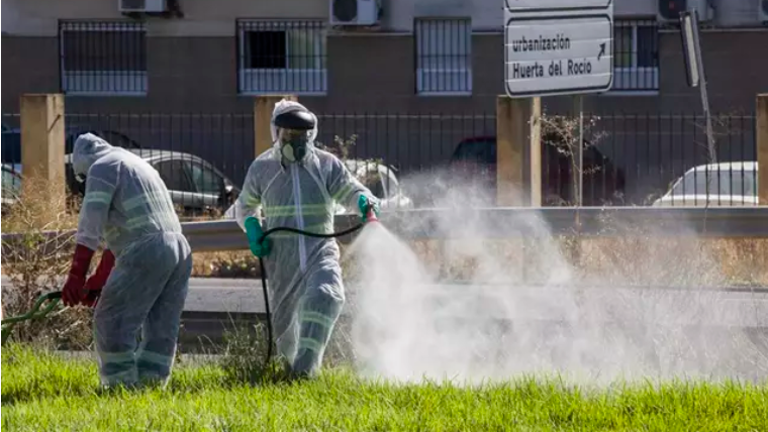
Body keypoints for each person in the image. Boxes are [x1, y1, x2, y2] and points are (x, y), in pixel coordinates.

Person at [233, 99, 379, 378]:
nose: (295, 141)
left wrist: (363, 201)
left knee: (325, 296)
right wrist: (253, 228)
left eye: (301, 135)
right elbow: (246, 205)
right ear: (277, 133)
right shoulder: (262, 168)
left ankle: (305, 371)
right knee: (287, 332)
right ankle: (290, 372)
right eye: (289, 135)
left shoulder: (325, 165)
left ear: (310, 135)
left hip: (319, 250)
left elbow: (350, 190)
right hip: (281, 258)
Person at [61, 133, 192, 389]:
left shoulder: (100, 168)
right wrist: (97, 281)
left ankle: (118, 387)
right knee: (160, 325)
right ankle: (151, 387)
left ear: (83, 167)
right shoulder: (136, 164)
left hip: (147, 249)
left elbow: (90, 229)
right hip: (179, 249)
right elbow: (120, 240)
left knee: (111, 320)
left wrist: (75, 277)